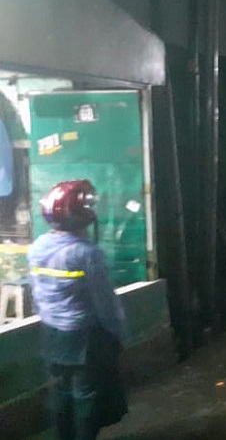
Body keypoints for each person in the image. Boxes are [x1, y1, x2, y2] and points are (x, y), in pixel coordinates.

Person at [29, 180, 127, 440]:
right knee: (86, 398)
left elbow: (36, 292)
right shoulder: (87, 254)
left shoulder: (37, 247)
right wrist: (118, 332)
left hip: (51, 333)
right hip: (83, 337)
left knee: (61, 394)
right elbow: (105, 303)